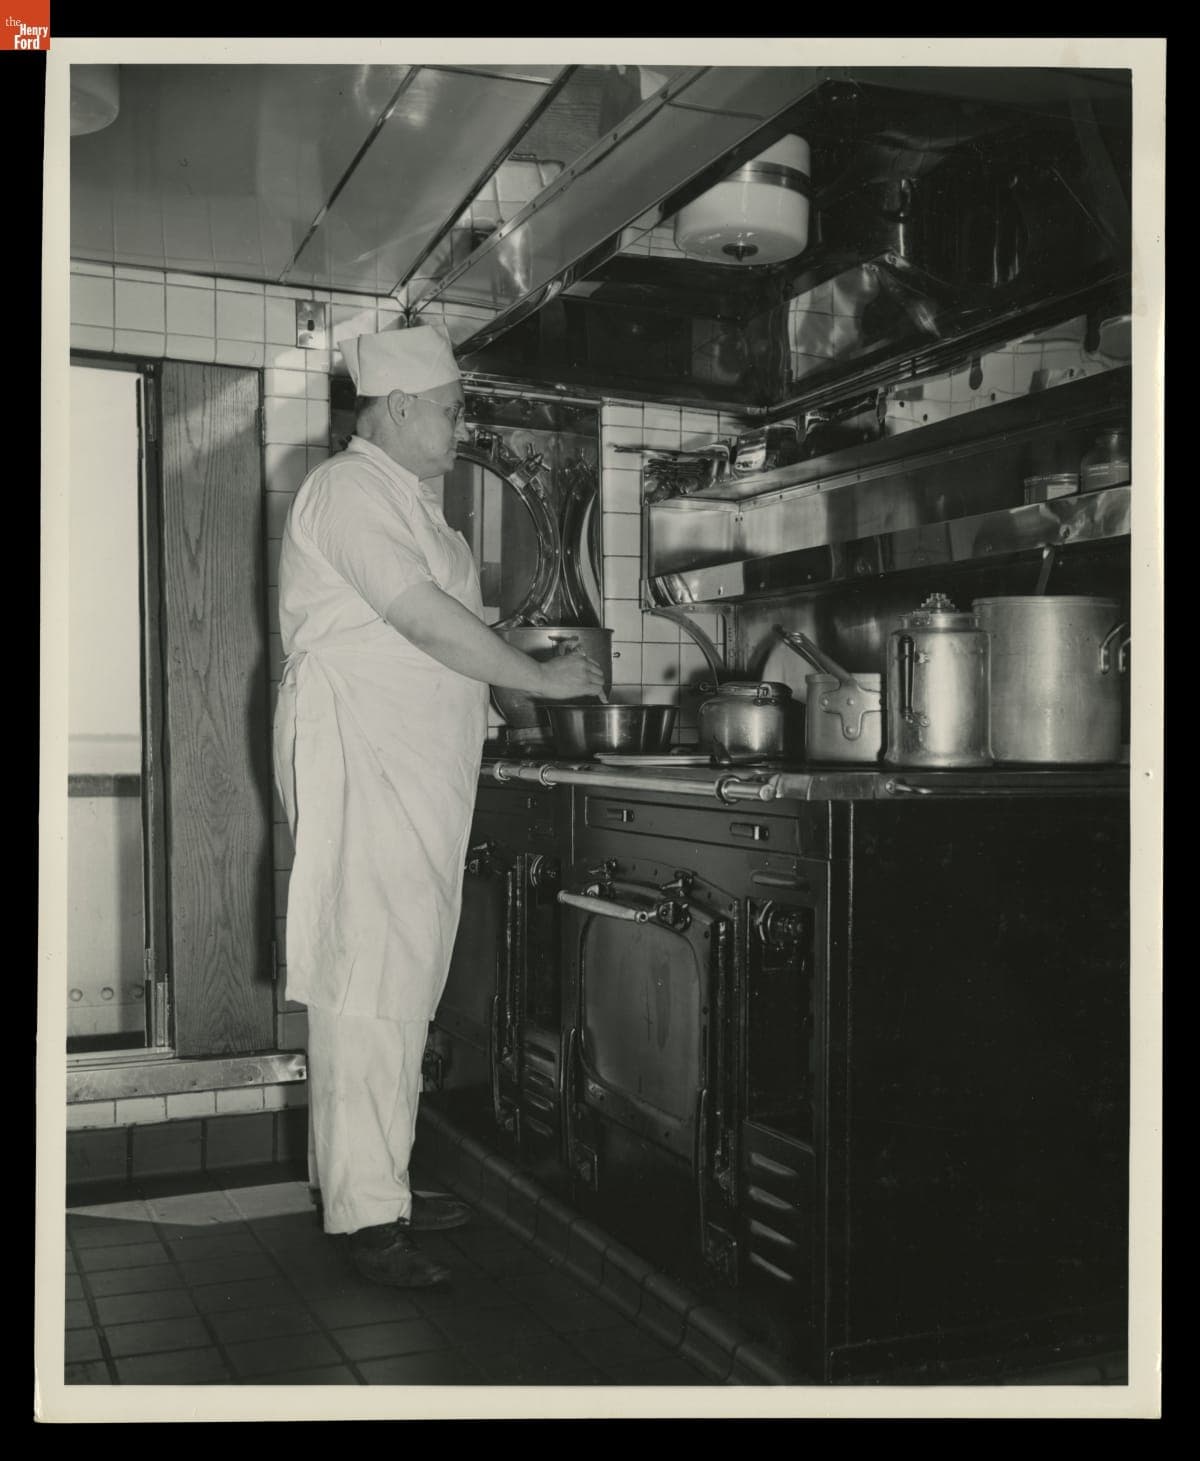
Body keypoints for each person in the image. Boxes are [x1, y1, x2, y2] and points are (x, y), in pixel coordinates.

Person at [272, 325, 604, 1287]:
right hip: (361, 760)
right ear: (402, 406)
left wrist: (512, 671)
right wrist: (536, 683)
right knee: (364, 979)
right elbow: (420, 619)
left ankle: (383, 1185)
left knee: (401, 976)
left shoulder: (417, 506)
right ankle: (362, 1215)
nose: (464, 425)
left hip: (414, 768)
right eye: (455, 408)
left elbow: (453, 626)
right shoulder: (345, 490)